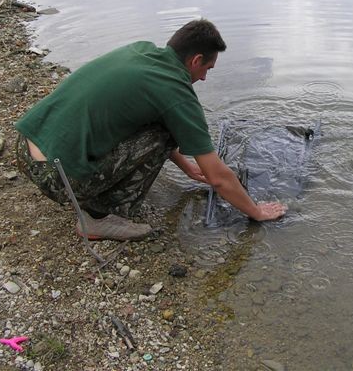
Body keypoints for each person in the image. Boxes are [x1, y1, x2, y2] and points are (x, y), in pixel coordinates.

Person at [15, 19, 286, 241]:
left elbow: (148, 116)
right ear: (196, 60)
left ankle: (95, 194)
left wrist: (189, 168)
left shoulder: (140, 50)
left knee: (158, 123)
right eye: (207, 69)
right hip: (54, 176)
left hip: (27, 146)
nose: (204, 78)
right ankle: (98, 217)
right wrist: (256, 211)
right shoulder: (175, 91)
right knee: (164, 132)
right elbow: (218, 177)